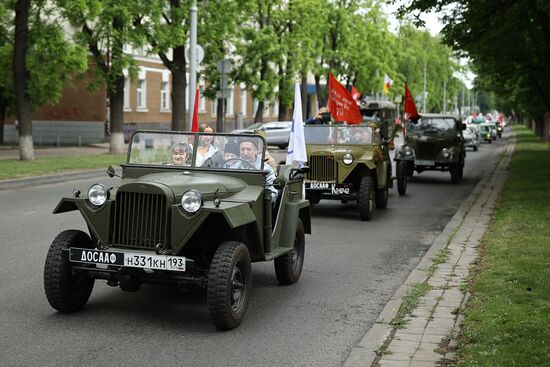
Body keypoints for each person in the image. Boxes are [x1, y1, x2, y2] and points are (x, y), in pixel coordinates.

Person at [238, 137, 278, 203]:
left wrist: (261, 200)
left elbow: (272, 194)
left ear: (256, 151)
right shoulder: (234, 167)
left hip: (257, 205)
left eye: (248, 149)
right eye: (242, 149)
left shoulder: (266, 169)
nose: (245, 153)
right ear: (239, 151)